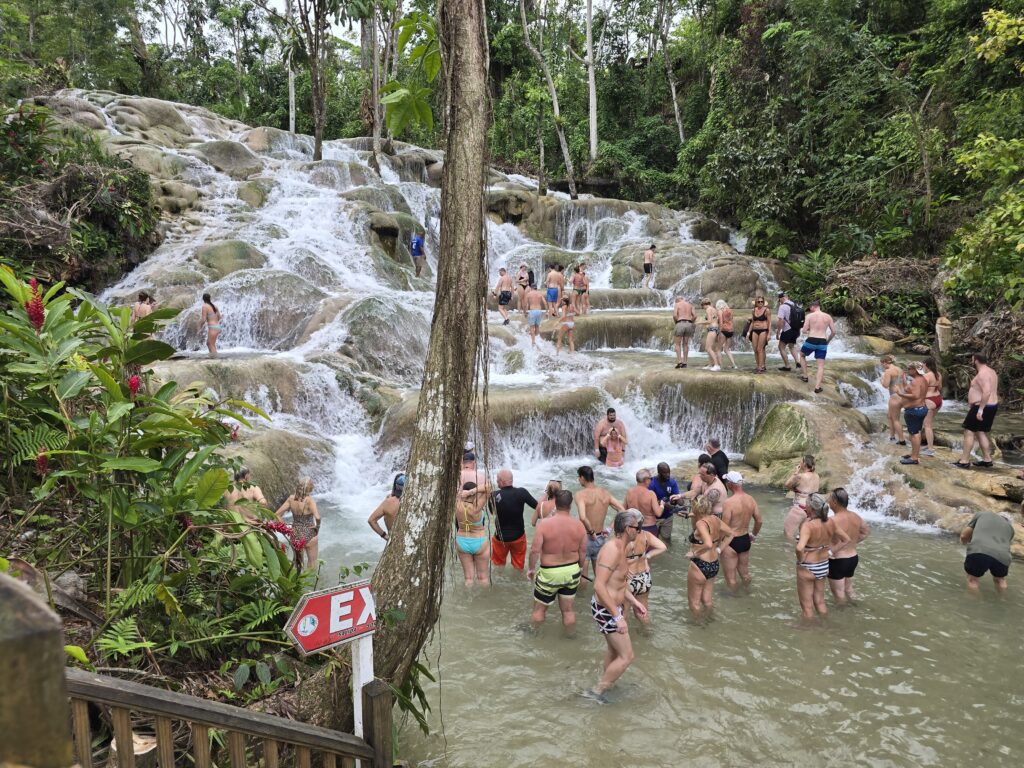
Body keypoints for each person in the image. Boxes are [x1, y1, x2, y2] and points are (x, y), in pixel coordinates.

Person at [586, 510, 647, 701]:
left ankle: (607, 684)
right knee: (627, 656)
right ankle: (596, 692)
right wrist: (618, 617)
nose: (640, 531)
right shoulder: (612, 549)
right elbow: (599, 585)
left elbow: (618, 584)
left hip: (613, 607)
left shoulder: (623, 548)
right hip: (607, 609)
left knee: (614, 651)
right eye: (638, 528)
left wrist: (634, 601)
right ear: (628, 529)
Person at [528, 489, 588, 630]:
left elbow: (535, 550)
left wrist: (531, 569)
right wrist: (579, 568)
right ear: (570, 504)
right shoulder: (579, 525)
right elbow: (583, 551)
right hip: (572, 570)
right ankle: (570, 637)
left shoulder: (544, 524)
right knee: (568, 610)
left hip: (550, 572)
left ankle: (535, 636)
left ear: (556, 503)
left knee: (539, 610)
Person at [795, 493, 850, 619]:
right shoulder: (830, 522)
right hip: (824, 565)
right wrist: (831, 552)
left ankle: (809, 632)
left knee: (807, 606)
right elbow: (846, 539)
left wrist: (800, 560)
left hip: (808, 567)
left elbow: (799, 547)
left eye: (806, 505)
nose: (805, 507)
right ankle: (825, 627)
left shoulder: (807, 526)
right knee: (819, 601)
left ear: (812, 508)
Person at [686, 496, 735, 618]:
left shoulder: (700, 523)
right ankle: (709, 622)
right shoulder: (715, 519)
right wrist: (719, 549)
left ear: (696, 508)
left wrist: (694, 553)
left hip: (700, 564)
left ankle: (698, 628)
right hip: (714, 564)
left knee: (694, 604)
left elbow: (707, 543)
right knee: (707, 600)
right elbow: (731, 534)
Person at [576, 465, 625, 580]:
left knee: (583, 572)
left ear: (582, 478)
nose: (578, 480)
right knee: (599, 573)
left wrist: (591, 531)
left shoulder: (580, 495)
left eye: (579, 477)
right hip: (601, 538)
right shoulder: (605, 493)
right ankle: (598, 596)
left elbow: (583, 517)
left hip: (586, 537)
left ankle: (582, 598)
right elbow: (622, 510)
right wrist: (609, 528)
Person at [954, 352, 1000, 469]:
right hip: (991, 405)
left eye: (972, 358)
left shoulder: (983, 374)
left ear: (975, 360)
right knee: (980, 431)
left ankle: (964, 461)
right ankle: (987, 459)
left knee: (969, 432)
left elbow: (987, 392)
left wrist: (980, 410)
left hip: (983, 406)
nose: (971, 360)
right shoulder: (991, 371)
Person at [826, 488, 870, 603]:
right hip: (853, 558)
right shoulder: (855, 516)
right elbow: (866, 532)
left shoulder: (832, 520)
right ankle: (857, 607)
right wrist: (852, 543)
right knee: (849, 589)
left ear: (835, 502)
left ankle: (843, 615)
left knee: (838, 593)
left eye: (829, 499)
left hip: (837, 560)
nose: (828, 501)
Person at [720, 472, 763, 589]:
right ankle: (748, 594)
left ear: (730, 484)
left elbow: (724, 527)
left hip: (731, 542)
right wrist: (753, 535)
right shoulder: (751, 499)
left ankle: (735, 602)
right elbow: (759, 521)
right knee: (745, 575)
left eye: (726, 482)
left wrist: (717, 545)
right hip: (745, 540)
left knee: (731, 579)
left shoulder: (728, 503)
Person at [490, 469, 538, 573]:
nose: (497, 482)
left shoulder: (493, 495)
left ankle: (499, 585)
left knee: (498, 565)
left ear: (502, 481)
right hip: (518, 537)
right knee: (518, 566)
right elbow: (538, 507)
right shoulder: (522, 492)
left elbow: (492, 512)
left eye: (497, 480)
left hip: (500, 538)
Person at [625, 512, 667, 624]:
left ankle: (626, 639)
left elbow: (615, 559)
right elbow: (662, 547)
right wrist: (647, 556)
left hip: (629, 578)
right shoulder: (646, 535)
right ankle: (647, 635)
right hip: (645, 577)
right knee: (642, 611)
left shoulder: (625, 538)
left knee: (624, 613)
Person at [960, 509, 1014, 592]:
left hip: (980, 550)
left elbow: (964, 536)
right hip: (1004, 558)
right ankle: (1002, 599)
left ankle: (977, 602)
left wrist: (963, 544)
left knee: (972, 579)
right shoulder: (1011, 529)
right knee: (1000, 580)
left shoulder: (982, 514)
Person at [275, 477, 320, 571]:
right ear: (309, 488)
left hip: (295, 533)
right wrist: (317, 527)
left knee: (298, 563)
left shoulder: (291, 499)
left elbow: (277, 515)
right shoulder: (309, 500)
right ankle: (312, 583)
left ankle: (298, 582)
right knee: (312, 562)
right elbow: (317, 517)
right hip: (310, 533)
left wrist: (285, 527)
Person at [454, 481, 490, 586]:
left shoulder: (456, 504)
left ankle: (468, 600)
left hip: (462, 541)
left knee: (468, 578)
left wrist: (462, 493)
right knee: (483, 577)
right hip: (479, 541)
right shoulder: (477, 507)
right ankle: (483, 600)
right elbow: (489, 487)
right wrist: (472, 491)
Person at [797, 300, 836, 393]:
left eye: (810, 308)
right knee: (821, 366)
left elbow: (804, 330)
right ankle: (817, 387)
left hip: (811, 340)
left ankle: (805, 376)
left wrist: (810, 330)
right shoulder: (828, 317)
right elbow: (834, 332)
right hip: (822, 341)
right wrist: (828, 341)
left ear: (812, 307)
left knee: (802, 355)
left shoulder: (809, 316)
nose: (810, 310)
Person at [898, 360, 929, 465]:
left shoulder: (916, 381)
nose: (908, 370)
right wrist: (904, 380)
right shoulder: (922, 379)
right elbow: (910, 389)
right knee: (916, 433)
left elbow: (915, 395)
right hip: (921, 408)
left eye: (910, 369)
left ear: (915, 370)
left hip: (914, 411)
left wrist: (900, 394)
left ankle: (914, 458)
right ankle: (914, 453)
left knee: (914, 434)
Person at [783, 455, 820, 540]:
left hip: (799, 507)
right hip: (811, 509)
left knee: (787, 535)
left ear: (804, 463)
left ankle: (788, 552)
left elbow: (787, 485)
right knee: (803, 537)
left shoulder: (800, 476)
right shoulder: (817, 476)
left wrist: (796, 472)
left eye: (801, 461)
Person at [648, 462, 681, 543]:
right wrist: (669, 506)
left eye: (668, 472)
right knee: (652, 542)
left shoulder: (672, 482)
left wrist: (679, 500)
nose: (668, 475)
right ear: (659, 473)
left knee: (666, 540)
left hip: (668, 516)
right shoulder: (651, 484)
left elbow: (677, 497)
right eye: (665, 473)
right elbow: (650, 501)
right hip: (654, 517)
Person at [367, 474, 404, 541]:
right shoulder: (414, 501)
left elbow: (371, 520)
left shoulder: (388, 502)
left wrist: (385, 536)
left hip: (394, 540)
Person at [625, 469, 662, 535]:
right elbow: (658, 513)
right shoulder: (651, 494)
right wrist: (662, 505)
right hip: (649, 528)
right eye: (651, 478)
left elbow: (623, 510)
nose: (651, 481)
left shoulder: (629, 492)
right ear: (646, 480)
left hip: (633, 528)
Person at [880, 355, 906, 446]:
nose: (882, 366)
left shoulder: (888, 371)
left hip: (894, 396)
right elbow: (904, 383)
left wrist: (881, 381)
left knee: (896, 420)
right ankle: (892, 436)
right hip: (902, 394)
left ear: (885, 362)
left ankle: (902, 440)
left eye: (882, 364)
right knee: (889, 416)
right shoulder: (900, 369)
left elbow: (886, 385)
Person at [921, 357, 943, 457]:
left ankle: (930, 449)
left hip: (929, 401)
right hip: (938, 400)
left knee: (927, 425)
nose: (922, 367)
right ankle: (929, 444)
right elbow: (940, 387)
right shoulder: (938, 374)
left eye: (923, 365)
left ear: (927, 365)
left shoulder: (926, 376)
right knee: (928, 423)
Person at [746, 296, 771, 373]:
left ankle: (761, 367)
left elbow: (769, 323)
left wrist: (769, 333)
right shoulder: (753, 310)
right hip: (754, 330)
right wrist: (748, 332)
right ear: (756, 303)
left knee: (760, 349)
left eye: (762, 302)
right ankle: (757, 366)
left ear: (763, 302)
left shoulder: (767, 310)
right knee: (755, 349)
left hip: (763, 330)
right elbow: (752, 322)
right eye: (759, 302)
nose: (760, 303)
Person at [775, 291, 799, 371]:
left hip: (787, 329)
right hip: (796, 329)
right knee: (791, 346)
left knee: (781, 347)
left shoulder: (782, 307)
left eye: (779, 300)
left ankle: (787, 365)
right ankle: (798, 362)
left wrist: (778, 332)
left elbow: (781, 320)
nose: (779, 302)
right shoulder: (794, 304)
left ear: (781, 298)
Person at [672, 295, 697, 369]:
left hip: (680, 323)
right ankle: (685, 362)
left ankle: (679, 362)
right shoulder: (690, 305)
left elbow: (674, 315)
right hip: (689, 324)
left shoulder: (677, 304)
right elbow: (695, 316)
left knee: (677, 344)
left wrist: (677, 322)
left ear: (678, 300)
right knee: (685, 344)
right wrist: (690, 321)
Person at [714, 300, 738, 369]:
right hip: (730, 330)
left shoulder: (720, 311)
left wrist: (719, 332)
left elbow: (721, 322)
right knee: (727, 349)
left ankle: (720, 366)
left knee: (718, 349)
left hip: (724, 330)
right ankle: (734, 365)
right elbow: (731, 319)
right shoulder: (729, 310)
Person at [699, 298, 721, 371]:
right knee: (710, 348)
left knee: (708, 348)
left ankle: (716, 365)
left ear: (704, 305)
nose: (703, 308)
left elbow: (709, 321)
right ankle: (710, 364)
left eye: (702, 306)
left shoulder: (708, 309)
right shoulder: (714, 309)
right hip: (716, 328)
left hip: (712, 329)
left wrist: (700, 322)